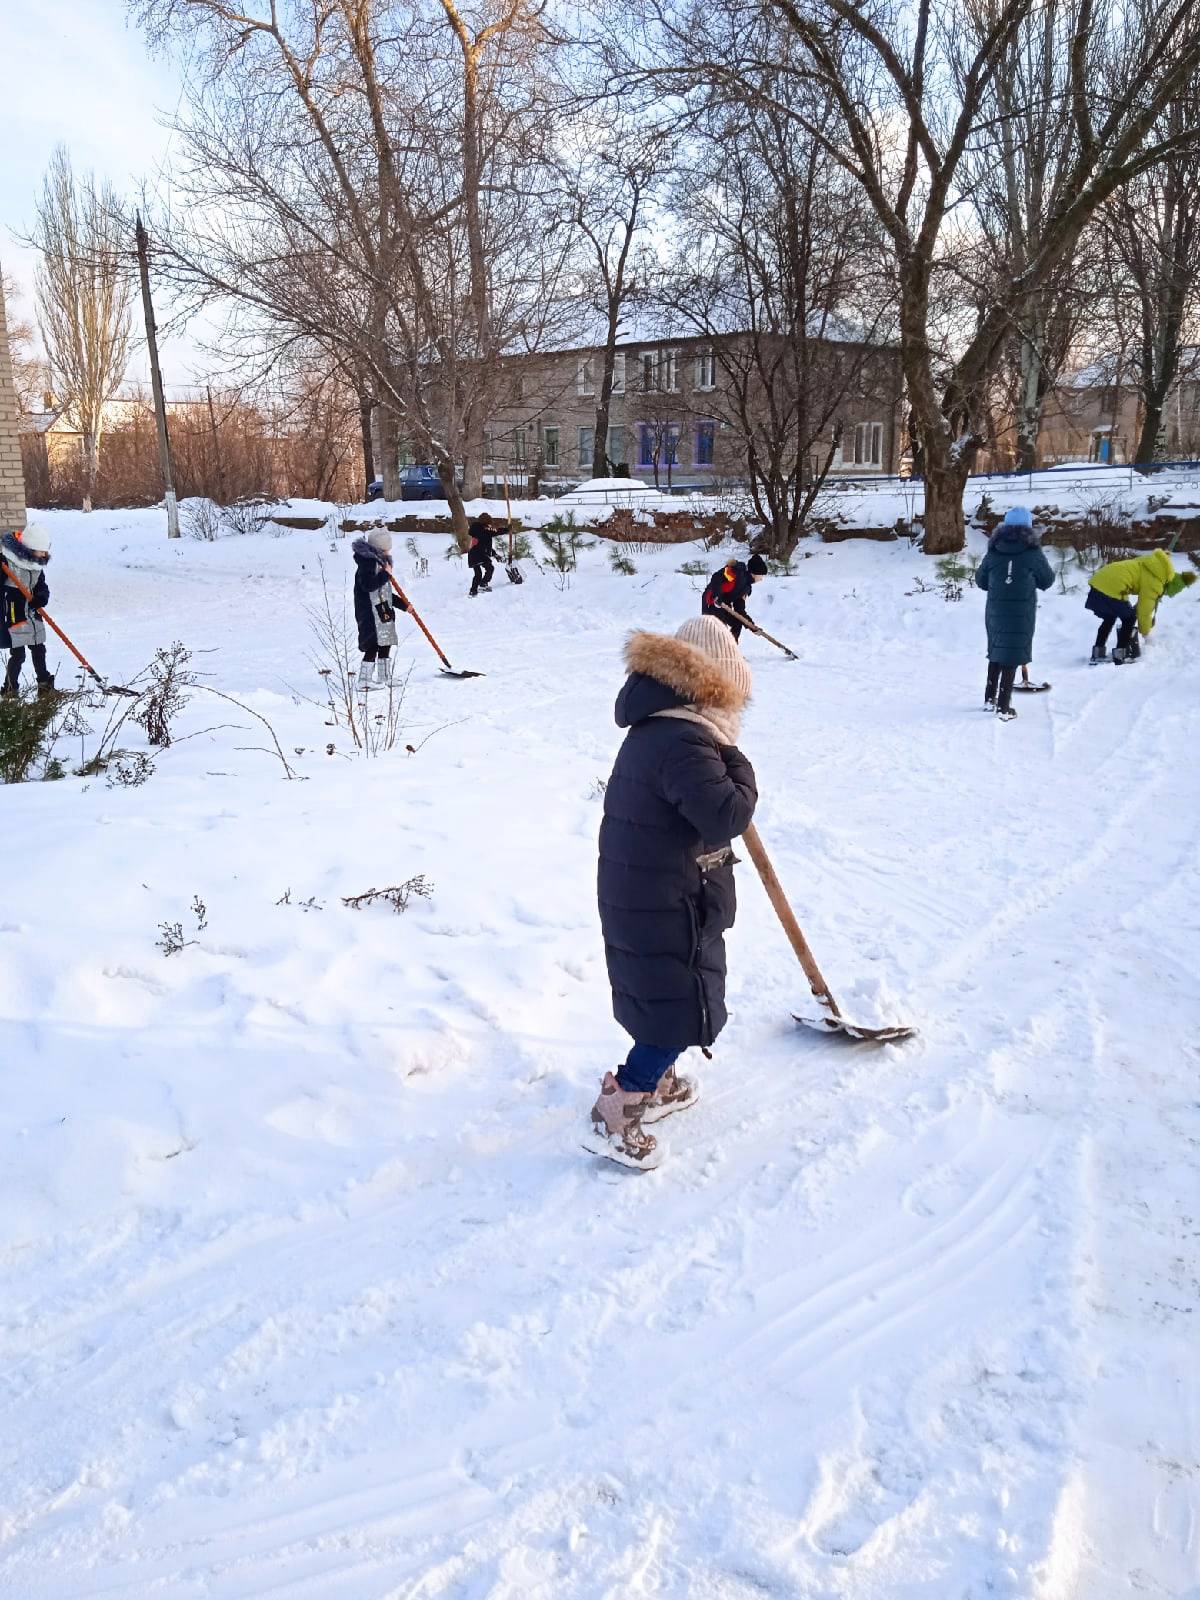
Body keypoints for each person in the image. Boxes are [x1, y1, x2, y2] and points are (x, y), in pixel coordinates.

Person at [588, 614, 758, 1168]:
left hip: (651, 890)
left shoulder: (658, 728)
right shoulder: (686, 740)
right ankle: (621, 1104)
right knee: (676, 1007)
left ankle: (658, 1084)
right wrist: (736, 761)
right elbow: (726, 811)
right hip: (667, 899)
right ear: (712, 688)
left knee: (664, 994)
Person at [974, 506, 1054, 721]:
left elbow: (981, 581)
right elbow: (1047, 580)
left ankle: (990, 699)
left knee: (997, 651)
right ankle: (1003, 706)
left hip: (995, 611)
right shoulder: (1032, 552)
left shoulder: (994, 550)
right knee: (1012, 653)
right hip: (1021, 611)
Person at [1086, 549, 1194, 663]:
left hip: (1099, 581)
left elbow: (1140, 605)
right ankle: (1121, 655)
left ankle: (1098, 654)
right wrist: (1146, 635)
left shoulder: (1149, 565)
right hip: (1114, 586)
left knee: (1110, 617)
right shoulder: (1156, 582)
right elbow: (1144, 612)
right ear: (1169, 586)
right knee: (1130, 618)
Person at [1, 523, 56, 698]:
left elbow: (41, 586)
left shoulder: (36, 565)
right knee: (18, 655)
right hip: (14, 614)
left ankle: (44, 684)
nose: (45, 555)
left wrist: (41, 597)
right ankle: (10, 689)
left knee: (39, 650)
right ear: (31, 548)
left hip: (32, 614)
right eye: (42, 551)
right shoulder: (8, 562)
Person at [352, 529, 404, 690]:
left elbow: (384, 591)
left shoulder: (380, 562)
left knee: (386, 640)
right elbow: (369, 586)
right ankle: (364, 680)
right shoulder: (367, 563)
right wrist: (386, 575)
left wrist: (403, 605)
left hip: (382, 607)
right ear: (380, 548)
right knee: (373, 643)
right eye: (387, 548)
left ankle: (384, 677)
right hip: (370, 611)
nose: (389, 551)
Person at [701, 553, 768, 639]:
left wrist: (752, 627)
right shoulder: (735, 573)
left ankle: (731, 647)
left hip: (724, 605)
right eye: (761, 575)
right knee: (718, 628)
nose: (761, 579)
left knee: (737, 623)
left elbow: (739, 610)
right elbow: (716, 577)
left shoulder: (746, 589)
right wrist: (717, 596)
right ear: (754, 573)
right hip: (711, 601)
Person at [466, 512, 501, 597]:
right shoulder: (483, 530)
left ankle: (478, 587)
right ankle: (478, 587)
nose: (490, 526)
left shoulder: (480, 531)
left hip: (475, 555)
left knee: (484, 571)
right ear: (486, 523)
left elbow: (485, 546)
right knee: (485, 571)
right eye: (489, 524)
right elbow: (496, 532)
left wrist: (495, 555)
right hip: (478, 554)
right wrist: (507, 529)